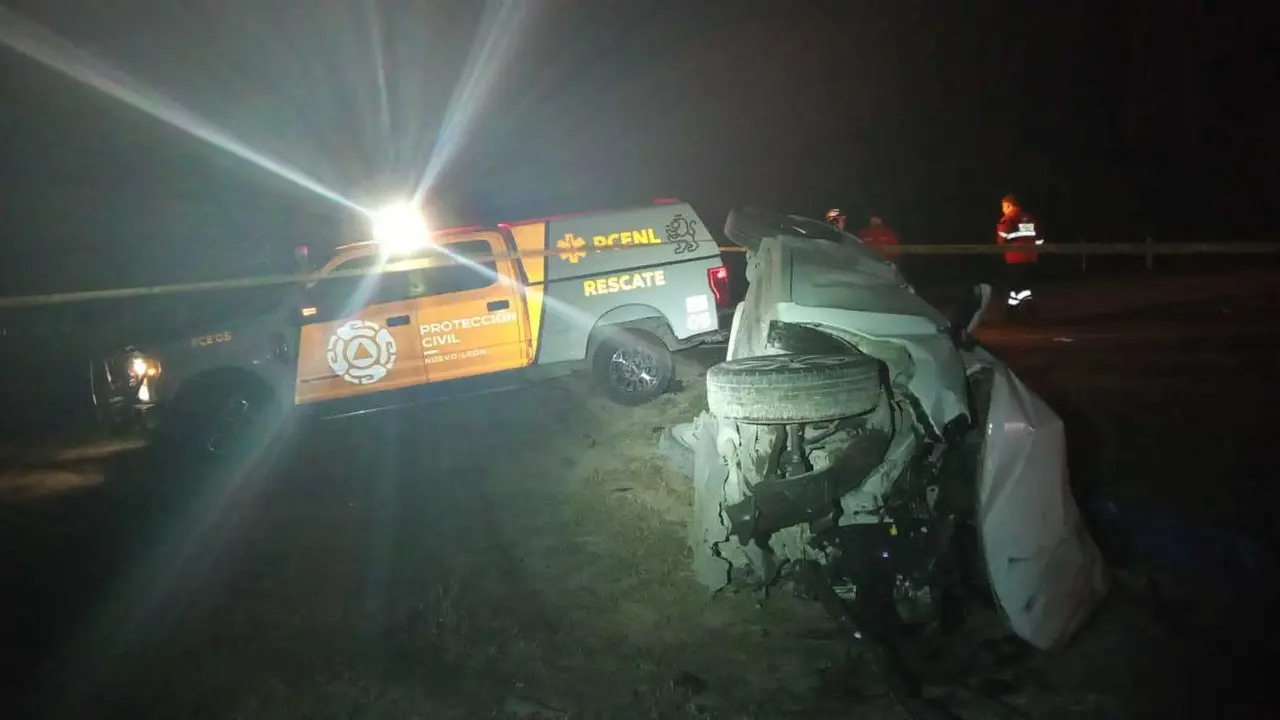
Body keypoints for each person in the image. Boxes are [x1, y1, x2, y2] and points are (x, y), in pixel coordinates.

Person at [996, 194, 1041, 320]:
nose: (1003, 209)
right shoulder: (1029, 218)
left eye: (1004, 206)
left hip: (1014, 259)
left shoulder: (1008, 219)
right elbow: (1039, 238)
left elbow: (1001, 240)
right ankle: (1011, 309)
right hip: (1031, 258)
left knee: (1017, 286)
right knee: (1018, 285)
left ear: (1009, 205)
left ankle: (1027, 304)